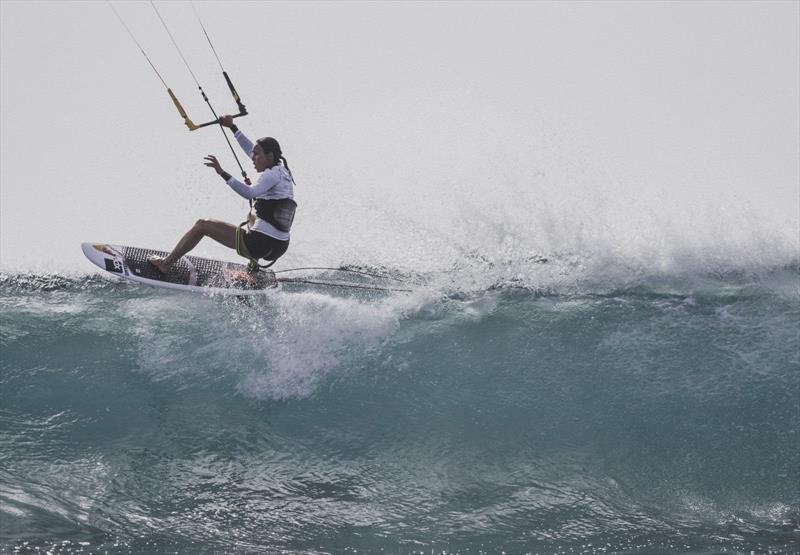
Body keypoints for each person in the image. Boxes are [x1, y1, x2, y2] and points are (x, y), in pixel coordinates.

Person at [148, 115, 296, 273]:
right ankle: (252, 271)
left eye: (257, 155)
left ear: (269, 156)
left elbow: (249, 193)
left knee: (202, 225)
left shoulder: (270, 175)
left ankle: (166, 263)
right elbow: (250, 151)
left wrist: (222, 172)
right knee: (253, 215)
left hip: (260, 243)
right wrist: (233, 127)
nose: (253, 159)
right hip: (279, 246)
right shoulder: (282, 171)